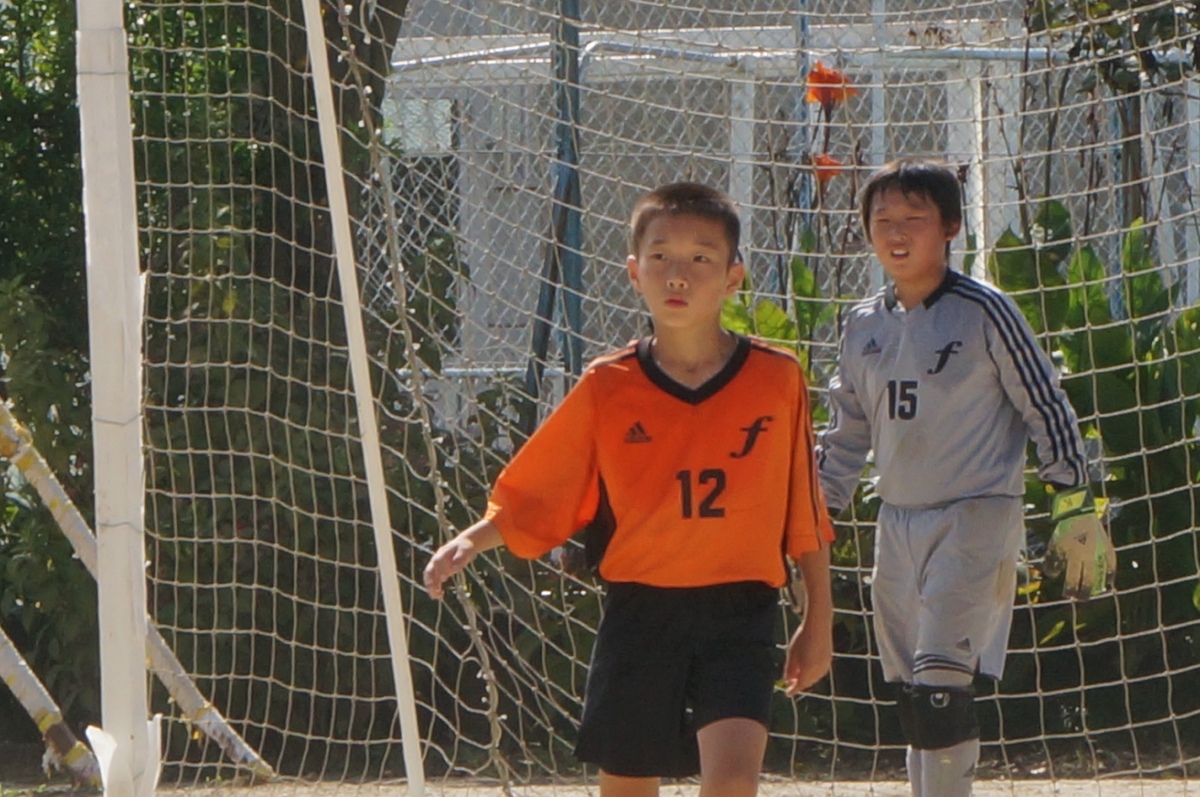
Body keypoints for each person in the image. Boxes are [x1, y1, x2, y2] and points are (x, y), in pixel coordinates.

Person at [424, 181, 835, 797]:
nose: (678, 273)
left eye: (701, 257)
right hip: (641, 612)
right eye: (660, 256)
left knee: (733, 783)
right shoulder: (607, 384)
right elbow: (546, 487)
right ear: (634, 271)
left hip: (740, 610)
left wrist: (819, 619)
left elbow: (804, 509)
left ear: (733, 277)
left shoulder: (777, 378)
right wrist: (475, 538)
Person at [815, 157, 1117, 797]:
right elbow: (846, 431)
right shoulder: (862, 323)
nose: (897, 233)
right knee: (911, 693)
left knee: (942, 686)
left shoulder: (985, 311)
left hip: (975, 514)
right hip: (897, 521)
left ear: (950, 227)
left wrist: (1074, 498)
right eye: (883, 220)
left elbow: (1045, 402)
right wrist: (815, 514)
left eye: (915, 218)